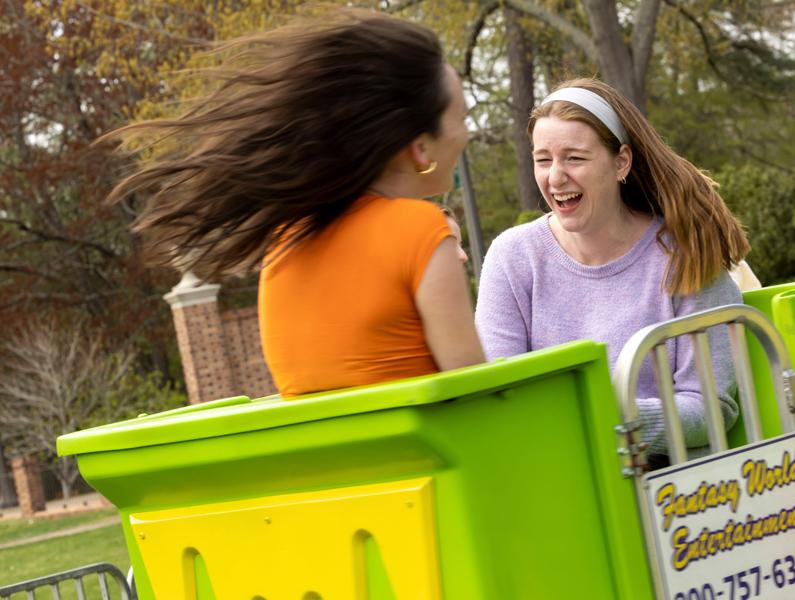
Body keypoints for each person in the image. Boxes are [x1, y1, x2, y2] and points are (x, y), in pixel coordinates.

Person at [103, 11, 484, 397]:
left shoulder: (285, 243)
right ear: (421, 148)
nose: (467, 134)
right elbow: (476, 398)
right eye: (463, 118)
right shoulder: (419, 228)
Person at [474, 79, 750, 460]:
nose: (555, 177)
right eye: (543, 159)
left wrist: (611, 420)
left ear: (621, 162)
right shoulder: (511, 257)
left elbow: (710, 406)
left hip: (666, 484)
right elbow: (496, 395)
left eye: (575, 158)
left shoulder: (685, 256)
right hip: (556, 474)